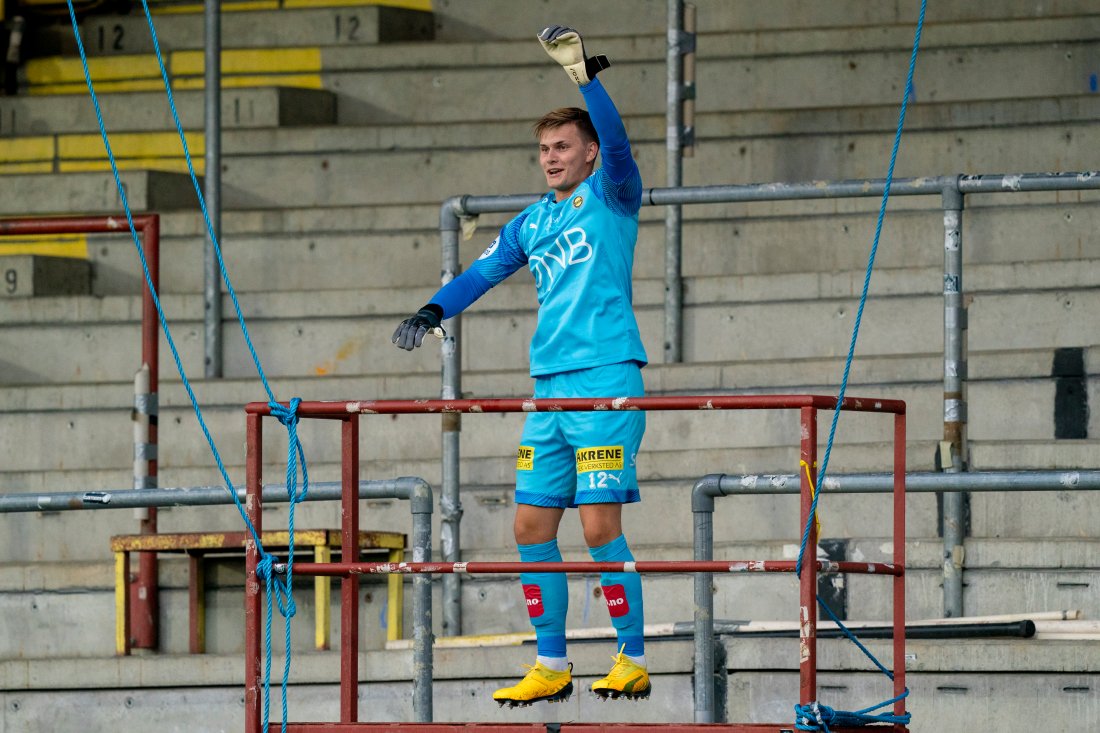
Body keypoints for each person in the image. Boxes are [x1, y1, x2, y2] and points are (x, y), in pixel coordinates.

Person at [393, 25, 649, 707]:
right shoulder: (531, 221)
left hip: (605, 379)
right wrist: (431, 309)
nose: (550, 157)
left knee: (598, 525)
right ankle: (553, 663)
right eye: (542, 149)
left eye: (563, 146)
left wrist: (584, 83)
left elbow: (621, 144)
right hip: (548, 389)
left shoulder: (614, 194)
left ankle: (632, 654)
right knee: (531, 528)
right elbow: (480, 272)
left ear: (590, 154)